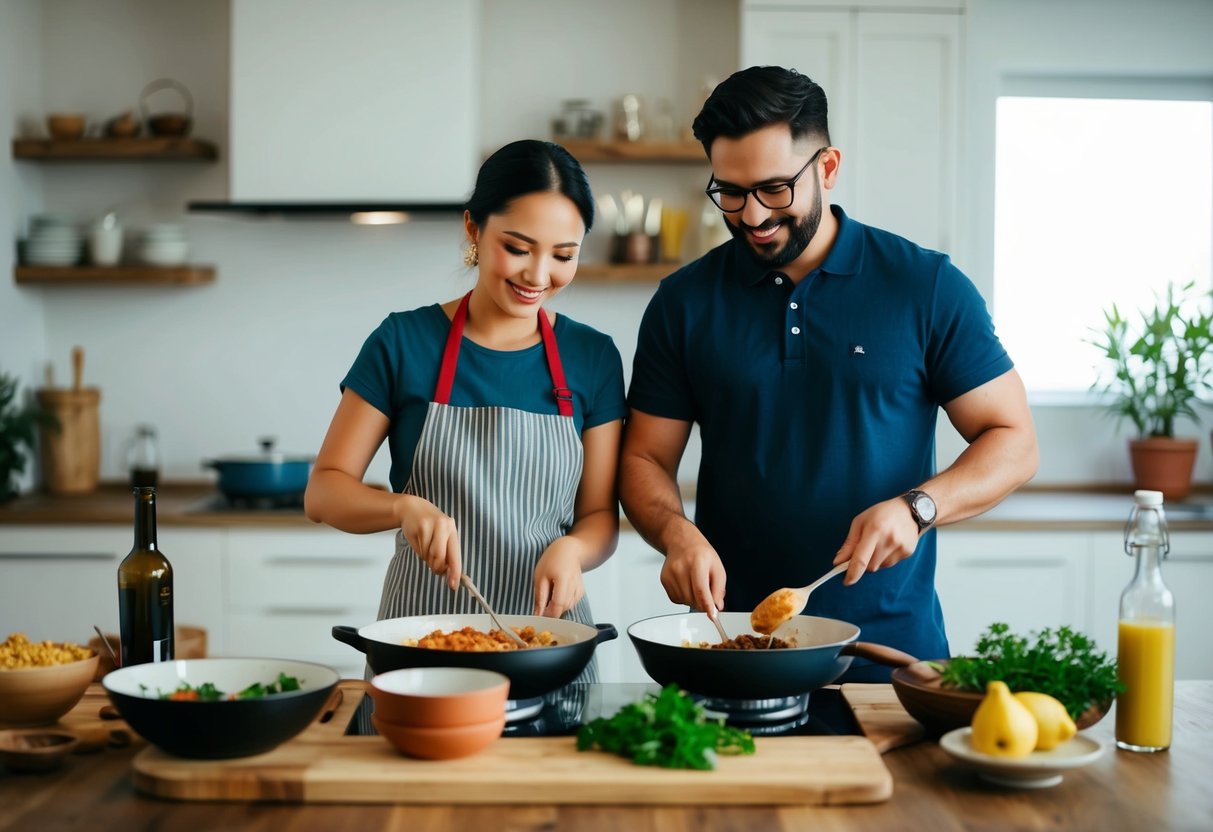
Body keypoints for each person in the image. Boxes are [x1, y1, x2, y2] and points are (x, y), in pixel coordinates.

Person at [619, 66, 1039, 680]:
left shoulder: (926, 287)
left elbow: (1015, 442)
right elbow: (644, 461)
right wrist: (674, 532)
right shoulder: (683, 303)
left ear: (828, 168)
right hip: (734, 647)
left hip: (892, 657)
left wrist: (919, 508)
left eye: (774, 189)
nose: (753, 216)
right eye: (730, 192)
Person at [305, 140, 626, 662]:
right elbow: (323, 492)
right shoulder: (403, 342)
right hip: (423, 645)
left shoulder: (593, 357)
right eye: (518, 248)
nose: (539, 276)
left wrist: (573, 549)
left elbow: (598, 518)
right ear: (474, 229)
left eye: (564, 256)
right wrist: (401, 508)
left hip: (549, 646)